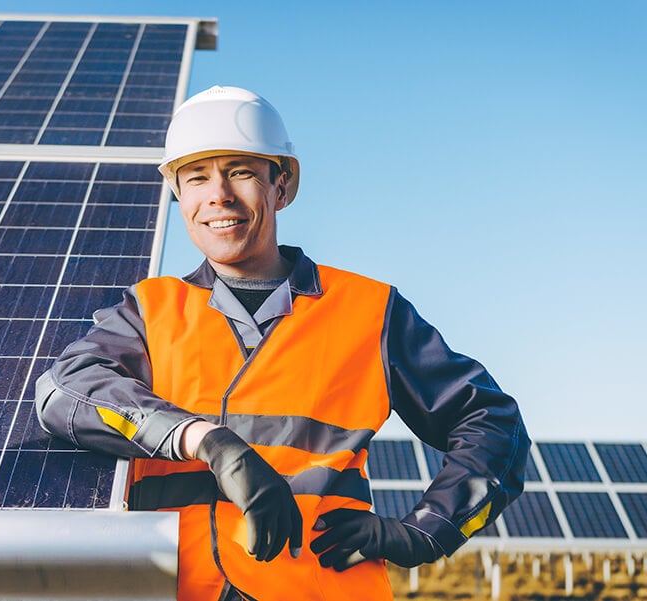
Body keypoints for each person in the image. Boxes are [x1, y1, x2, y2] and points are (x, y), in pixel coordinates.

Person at [35, 85, 530, 601]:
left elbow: (493, 424)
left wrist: (428, 530)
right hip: (172, 587)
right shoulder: (151, 309)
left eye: (242, 172)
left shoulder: (370, 311)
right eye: (196, 177)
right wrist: (207, 441)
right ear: (179, 195)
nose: (219, 194)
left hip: (317, 588)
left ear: (282, 185)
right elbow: (62, 394)